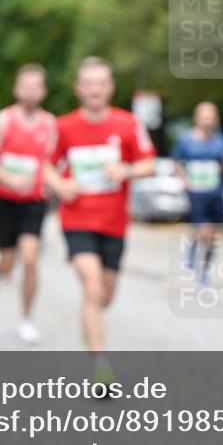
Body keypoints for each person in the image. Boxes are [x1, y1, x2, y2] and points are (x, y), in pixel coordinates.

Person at [43, 57, 155, 381]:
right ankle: (100, 364)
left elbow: (148, 163)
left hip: (114, 224)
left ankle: (90, 329)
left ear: (110, 87)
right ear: (79, 88)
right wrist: (61, 184)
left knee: (104, 296)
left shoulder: (128, 124)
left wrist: (127, 170)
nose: (94, 89)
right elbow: (47, 165)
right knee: (91, 287)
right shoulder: (63, 126)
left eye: (101, 83)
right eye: (88, 83)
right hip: (76, 220)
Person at [0, 64, 57, 344]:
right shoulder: (3, 120)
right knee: (9, 262)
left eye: (36, 86)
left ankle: (26, 319)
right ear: (16, 89)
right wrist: (8, 177)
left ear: (44, 91)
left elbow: (54, 162)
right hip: (5, 201)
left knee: (31, 258)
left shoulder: (50, 124)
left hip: (35, 201)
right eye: (25, 85)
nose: (31, 91)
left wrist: (56, 181)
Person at [171, 101, 223, 286]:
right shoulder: (186, 139)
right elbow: (176, 162)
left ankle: (204, 270)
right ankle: (193, 257)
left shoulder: (222, 141)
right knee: (203, 230)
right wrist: (184, 180)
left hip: (216, 193)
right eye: (204, 116)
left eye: (211, 116)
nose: (208, 120)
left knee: (212, 234)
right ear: (197, 118)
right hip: (196, 194)